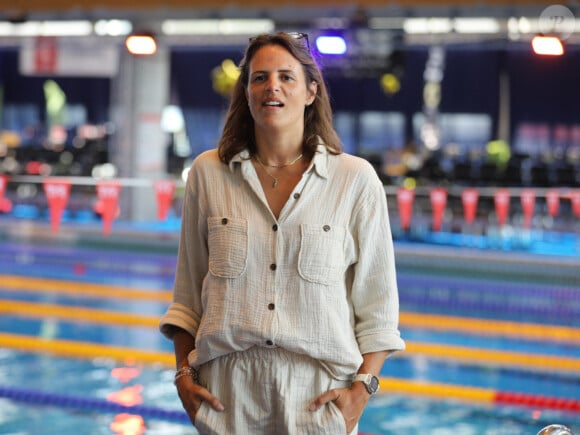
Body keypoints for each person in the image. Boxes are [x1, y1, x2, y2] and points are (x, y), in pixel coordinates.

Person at [159, 31, 405, 435]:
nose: (271, 86)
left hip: (319, 401)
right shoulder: (209, 173)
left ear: (311, 91)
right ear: (247, 91)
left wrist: (363, 389)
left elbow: (379, 307)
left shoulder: (354, 180)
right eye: (259, 77)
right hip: (226, 399)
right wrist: (183, 377)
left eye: (286, 77)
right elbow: (188, 294)